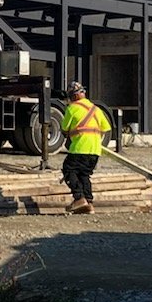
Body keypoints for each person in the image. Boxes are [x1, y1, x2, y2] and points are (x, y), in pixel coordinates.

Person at [59, 81, 111, 214]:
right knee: (84, 175)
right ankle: (89, 203)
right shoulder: (96, 109)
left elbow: (64, 128)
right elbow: (106, 128)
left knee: (68, 169)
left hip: (79, 147)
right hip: (95, 149)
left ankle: (79, 198)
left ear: (73, 96)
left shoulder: (72, 108)